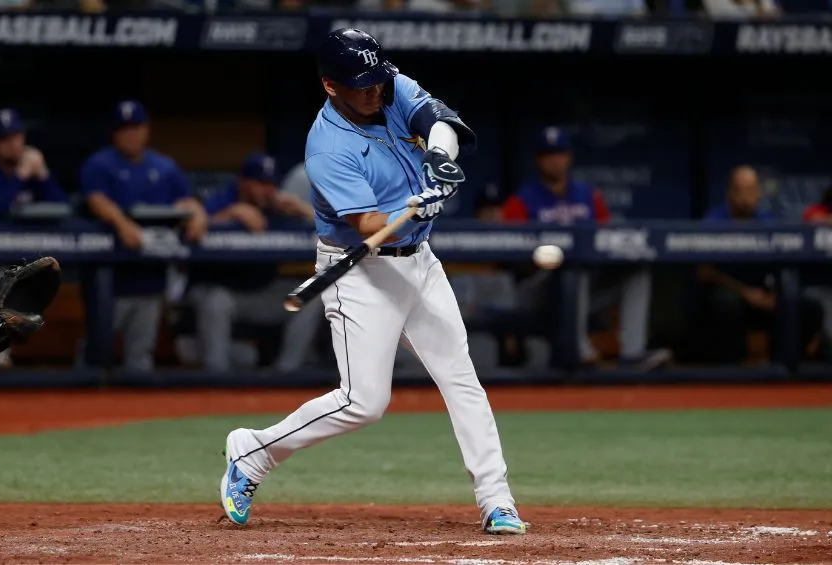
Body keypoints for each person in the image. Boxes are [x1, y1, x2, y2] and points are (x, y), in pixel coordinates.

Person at [219, 28, 526, 536]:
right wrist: (410, 207)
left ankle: (497, 500)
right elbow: (367, 227)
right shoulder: (326, 148)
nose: (373, 91)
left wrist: (439, 159)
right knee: (364, 402)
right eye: (360, 85)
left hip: (420, 261)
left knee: (460, 376)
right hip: (360, 272)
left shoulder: (389, 83)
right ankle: (252, 452)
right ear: (329, 86)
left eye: (377, 81)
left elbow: (439, 121)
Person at [501, 126, 671, 370]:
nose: (554, 160)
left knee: (636, 270)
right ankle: (579, 350)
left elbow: (606, 241)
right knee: (572, 265)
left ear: (568, 157)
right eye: (548, 154)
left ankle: (633, 353)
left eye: (559, 153)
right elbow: (506, 252)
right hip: (539, 288)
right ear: (538, 160)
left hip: (584, 287)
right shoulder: (521, 202)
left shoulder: (589, 197)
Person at [81, 99, 208, 372]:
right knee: (95, 351)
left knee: (140, 357)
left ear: (146, 130)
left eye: (136, 127)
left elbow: (187, 200)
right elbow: (95, 199)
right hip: (110, 280)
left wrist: (197, 214)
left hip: (149, 276)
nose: (131, 134)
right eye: (124, 128)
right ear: (114, 132)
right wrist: (122, 223)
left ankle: (129, 413)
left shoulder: (164, 167)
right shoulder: (100, 164)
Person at [183, 151, 324, 373]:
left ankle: (286, 372)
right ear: (242, 182)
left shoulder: (277, 207)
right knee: (216, 301)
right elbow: (194, 229)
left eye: (270, 184)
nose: (266, 190)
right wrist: (230, 214)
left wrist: (301, 210)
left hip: (260, 293)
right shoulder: (220, 200)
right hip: (218, 293)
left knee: (312, 294)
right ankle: (215, 376)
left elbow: (333, 233)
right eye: (259, 183)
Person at [697, 165, 825, 363]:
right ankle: (729, 370)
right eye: (742, 190)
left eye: (753, 190)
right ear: (730, 192)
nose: (748, 196)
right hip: (730, 297)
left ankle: (783, 366)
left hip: (763, 298)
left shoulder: (768, 223)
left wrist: (774, 295)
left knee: (809, 308)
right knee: (725, 303)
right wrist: (745, 293)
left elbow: (782, 265)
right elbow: (704, 273)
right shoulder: (713, 221)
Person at [0, 108, 68, 371]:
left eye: (17, 136)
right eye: (4, 138)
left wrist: (42, 175)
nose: (13, 143)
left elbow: (62, 207)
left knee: (11, 277)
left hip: (12, 262)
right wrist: (20, 177)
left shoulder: (32, 170)